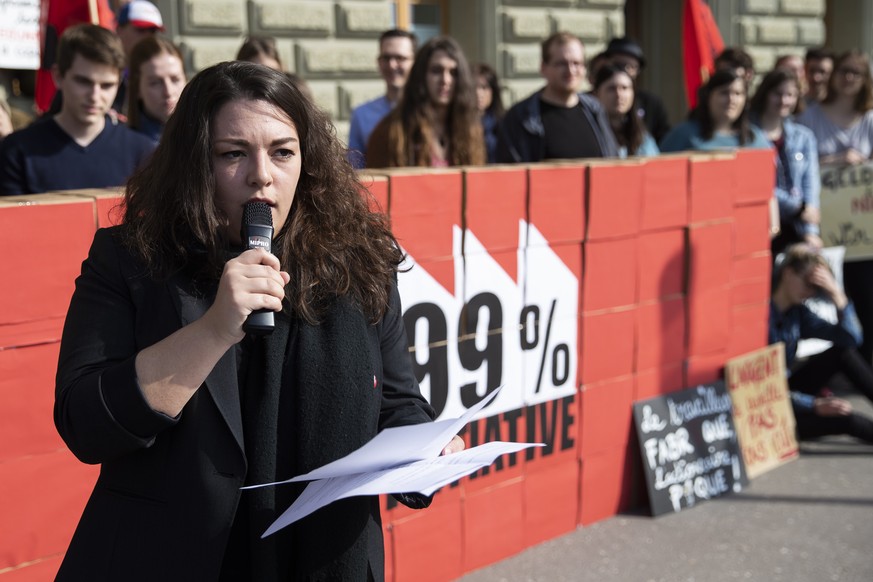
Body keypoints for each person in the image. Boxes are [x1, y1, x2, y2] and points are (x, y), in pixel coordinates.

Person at [53, 61, 464, 581]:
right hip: (168, 558)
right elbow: (86, 425)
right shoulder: (131, 260)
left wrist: (428, 449)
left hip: (320, 558)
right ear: (194, 164)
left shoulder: (361, 263)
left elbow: (397, 402)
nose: (261, 175)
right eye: (232, 154)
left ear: (309, 163)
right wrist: (213, 329)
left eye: (282, 152)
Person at [0, 24, 155, 196]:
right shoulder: (16, 151)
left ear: (119, 83)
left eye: (106, 85)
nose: (95, 96)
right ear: (58, 76)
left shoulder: (143, 153)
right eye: (83, 82)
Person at [797, 49, 873, 366]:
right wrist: (836, 161)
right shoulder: (811, 116)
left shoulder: (869, 119)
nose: (849, 78)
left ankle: (863, 365)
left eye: (856, 73)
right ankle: (825, 368)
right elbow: (799, 162)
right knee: (823, 298)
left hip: (862, 235)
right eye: (844, 71)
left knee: (865, 298)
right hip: (821, 230)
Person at [770, 244, 873, 444]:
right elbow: (755, 386)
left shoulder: (797, 313)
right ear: (788, 273)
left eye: (816, 288)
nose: (810, 292)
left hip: (785, 391)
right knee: (846, 419)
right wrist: (813, 404)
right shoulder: (759, 314)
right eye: (808, 283)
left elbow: (851, 339)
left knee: (842, 353)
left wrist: (836, 294)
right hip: (764, 403)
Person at [496, 31, 619, 163]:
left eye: (576, 63)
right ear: (544, 68)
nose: (571, 71)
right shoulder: (521, 118)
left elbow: (612, 162)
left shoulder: (595, 110)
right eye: (562, 63)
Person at [365, 35, 485, 168]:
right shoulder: (392, 131)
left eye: (453, 73)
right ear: (421, 76)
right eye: (436, 71)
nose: (445, 80)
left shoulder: (470, 130)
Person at [749, 68, 820, 253]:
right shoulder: (748, 136)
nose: (783, 100)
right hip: (761, 226)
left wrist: (810, 231)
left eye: (790, 95)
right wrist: (797, 207)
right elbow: (758, 185)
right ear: (765, 93)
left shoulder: (804, 137)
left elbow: (810, 184)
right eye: (777, 94)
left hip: (797, 228)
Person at [347, 29, 416, 168]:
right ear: (378, 62)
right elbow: (355, 171)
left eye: (400, 58)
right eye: (386, 58)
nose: (392, 65)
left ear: (415, 62)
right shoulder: (362, 115)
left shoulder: (428, 112)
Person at [660, 68, 770, 152]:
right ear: (708, 97)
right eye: (724, 93)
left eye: (738, 93)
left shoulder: (756, 138)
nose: (731, 99)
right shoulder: (683, 134)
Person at [603, 36, 671, 143]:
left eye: (630, 67)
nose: (619, 94)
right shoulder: (587, 104)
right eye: (618, 65)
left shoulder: (651, 103)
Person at [126, 36, 186, 142]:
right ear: (137, 89)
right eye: (155, 83)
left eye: (175, 80)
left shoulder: (208, 135)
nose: (168, 92)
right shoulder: (126, 146)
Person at [592, 64, 659, 158]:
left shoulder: (642, 137)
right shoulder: (589, 132)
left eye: (624, 88)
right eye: (611, 89)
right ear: (596, 94)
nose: (619, 94)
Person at [113, 0, 165, 113]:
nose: (148, 36)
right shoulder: (106, 71)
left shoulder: (166, 74)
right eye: (140, 29)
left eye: (152, 30)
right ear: (119, 30)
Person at [474, 63, 504, 163]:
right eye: (474, 87)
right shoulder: (458, 122)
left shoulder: (503, 123)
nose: (479, 93)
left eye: (484, 87)